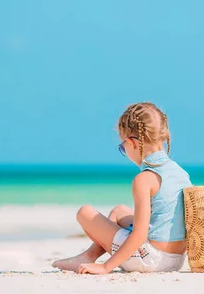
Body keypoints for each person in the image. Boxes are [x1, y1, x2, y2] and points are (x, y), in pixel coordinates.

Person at [52, 102, 193, 274]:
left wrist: (106, 267)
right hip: (177, 259)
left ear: (132, 143)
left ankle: (91, 257)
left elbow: (140, 235)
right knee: (119, 211)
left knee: (85, 213)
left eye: (122, 147)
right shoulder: (181, 173)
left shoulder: (144, 179)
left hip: (150, 260)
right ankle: (89, 255)